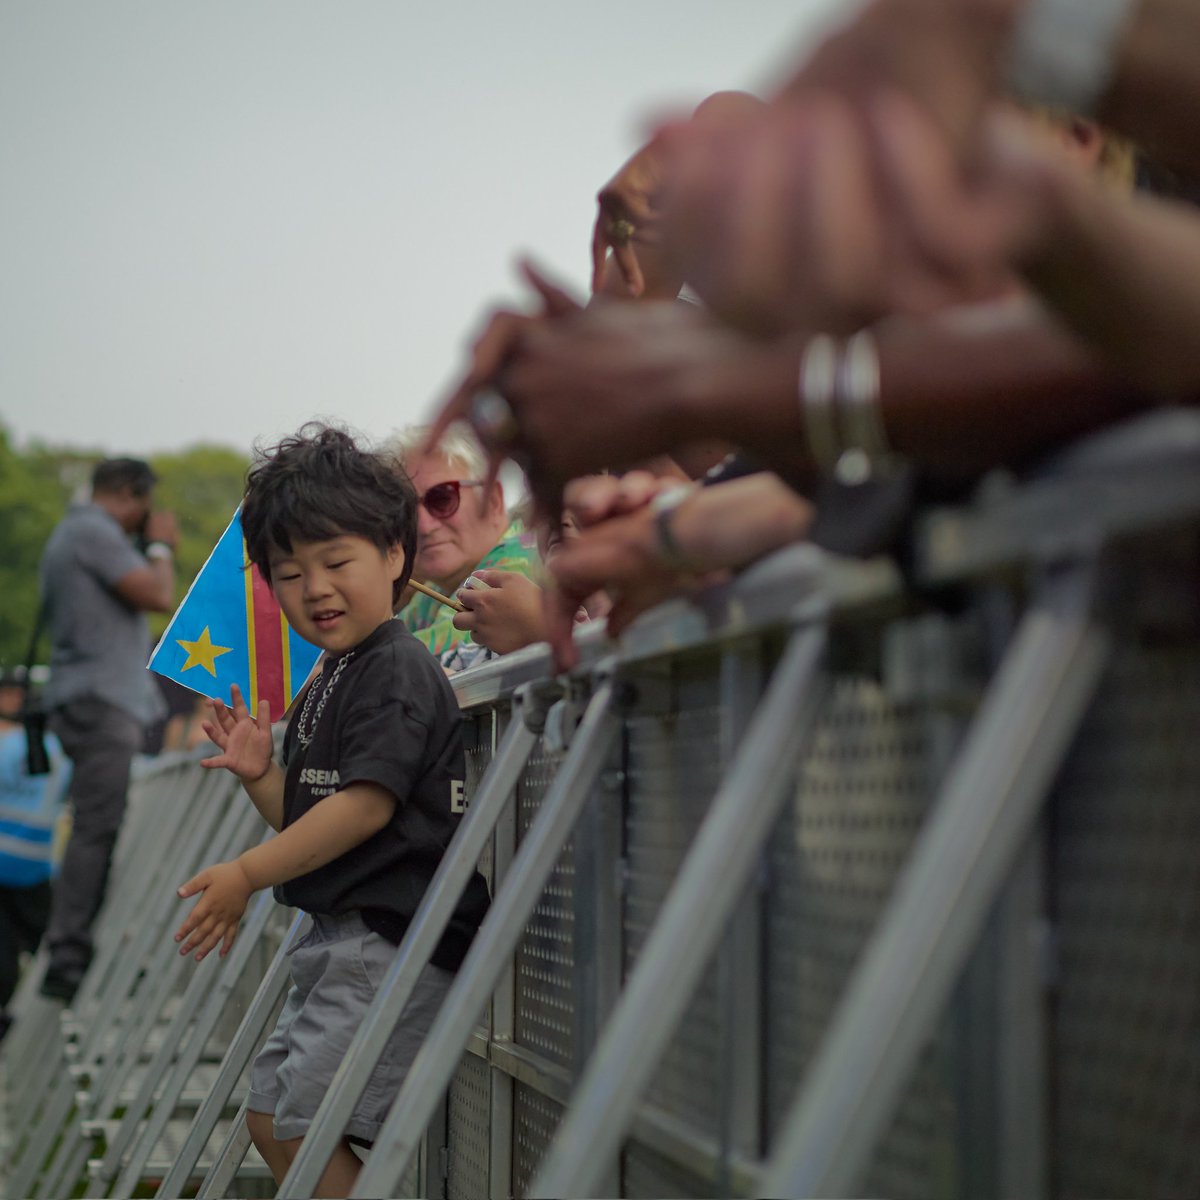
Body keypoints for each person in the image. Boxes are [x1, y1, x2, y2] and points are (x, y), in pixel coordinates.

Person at [172, 424, 489, 1197]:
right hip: (336, 941)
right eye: (289, 572)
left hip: (388, 943)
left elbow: (365, 809)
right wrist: (261, 775)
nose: (314, 588)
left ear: (393, 556)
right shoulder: (333, 676)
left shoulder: (395, 668)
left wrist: (246, 874)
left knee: (303, 1125)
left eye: (337, 562)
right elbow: (311, 822)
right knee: (270, 1118)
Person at [38, 457, 177, 1001]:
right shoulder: (93, 531)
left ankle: (71, 945)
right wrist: (160, 546)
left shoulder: (70, 533)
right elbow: (157, 593)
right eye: (145, 507)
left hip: (84, 698)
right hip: (101, 702)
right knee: (97, 826)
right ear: (129, 495)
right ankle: (68, 955)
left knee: (96, 823)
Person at [387, 425, 539, 667]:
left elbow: (414, 657)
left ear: (493, 501)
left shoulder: (521, 557)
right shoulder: (432, 593)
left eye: (443, 498)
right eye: (406, 509)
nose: (424, 526)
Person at [0, 672, 72, 1040]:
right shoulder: (58, 751)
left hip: (9, 868)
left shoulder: (3, 743)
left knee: (4, 954)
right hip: (36, 868)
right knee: (37, 943)